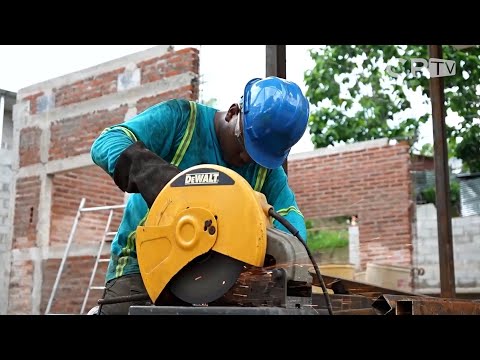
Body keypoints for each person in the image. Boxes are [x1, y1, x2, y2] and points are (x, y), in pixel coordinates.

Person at [90, 76, 310, 315]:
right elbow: (106, 142)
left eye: (260, 156)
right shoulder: (181, 120)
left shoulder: (266, 168)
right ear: (233, 113)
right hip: (142, 266)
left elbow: (289, 217)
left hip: (217, 278)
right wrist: (168, 184)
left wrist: (287, 260)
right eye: (246, 147)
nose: (250, 160)